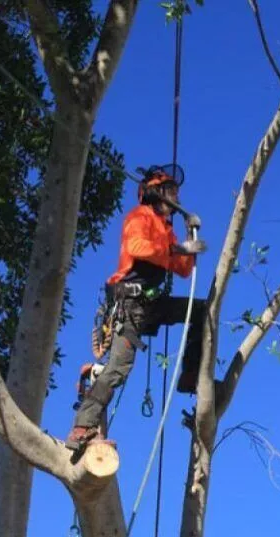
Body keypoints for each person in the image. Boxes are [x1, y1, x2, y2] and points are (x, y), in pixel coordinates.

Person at [66, 164, 208, 450]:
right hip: (129, 303)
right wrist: (178, 249)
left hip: (152, 303)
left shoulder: (166, 229)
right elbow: (138, 248)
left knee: (202, 312)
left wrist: (188, 238)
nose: (177, 197)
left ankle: (190, 375)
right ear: (157, 193)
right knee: (119, 367)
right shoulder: (139, 216)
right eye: (172, 191)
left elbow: (182, 270)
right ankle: (82, 425)